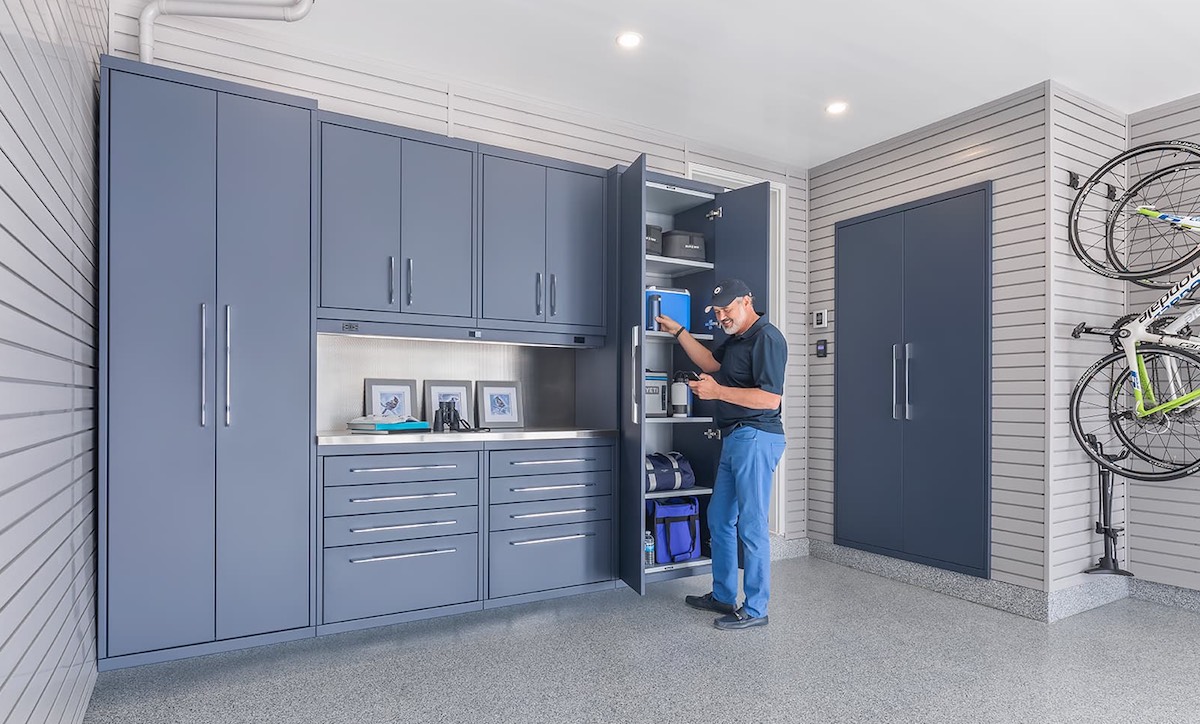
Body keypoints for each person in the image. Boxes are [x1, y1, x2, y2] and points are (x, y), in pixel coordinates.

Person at [655, 278, 787, 630]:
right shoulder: (736, 340)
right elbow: (712, 364)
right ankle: (724, 595)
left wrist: (718, 393)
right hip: (735, 438)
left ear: (747, 301)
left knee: (752, 525)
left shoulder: (767, 339)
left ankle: (757, 609)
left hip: (757, 437)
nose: (722, 316)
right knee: (719, 519)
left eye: (727, 309)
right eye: (717, 311)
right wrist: (679, 331)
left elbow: (770, 400)